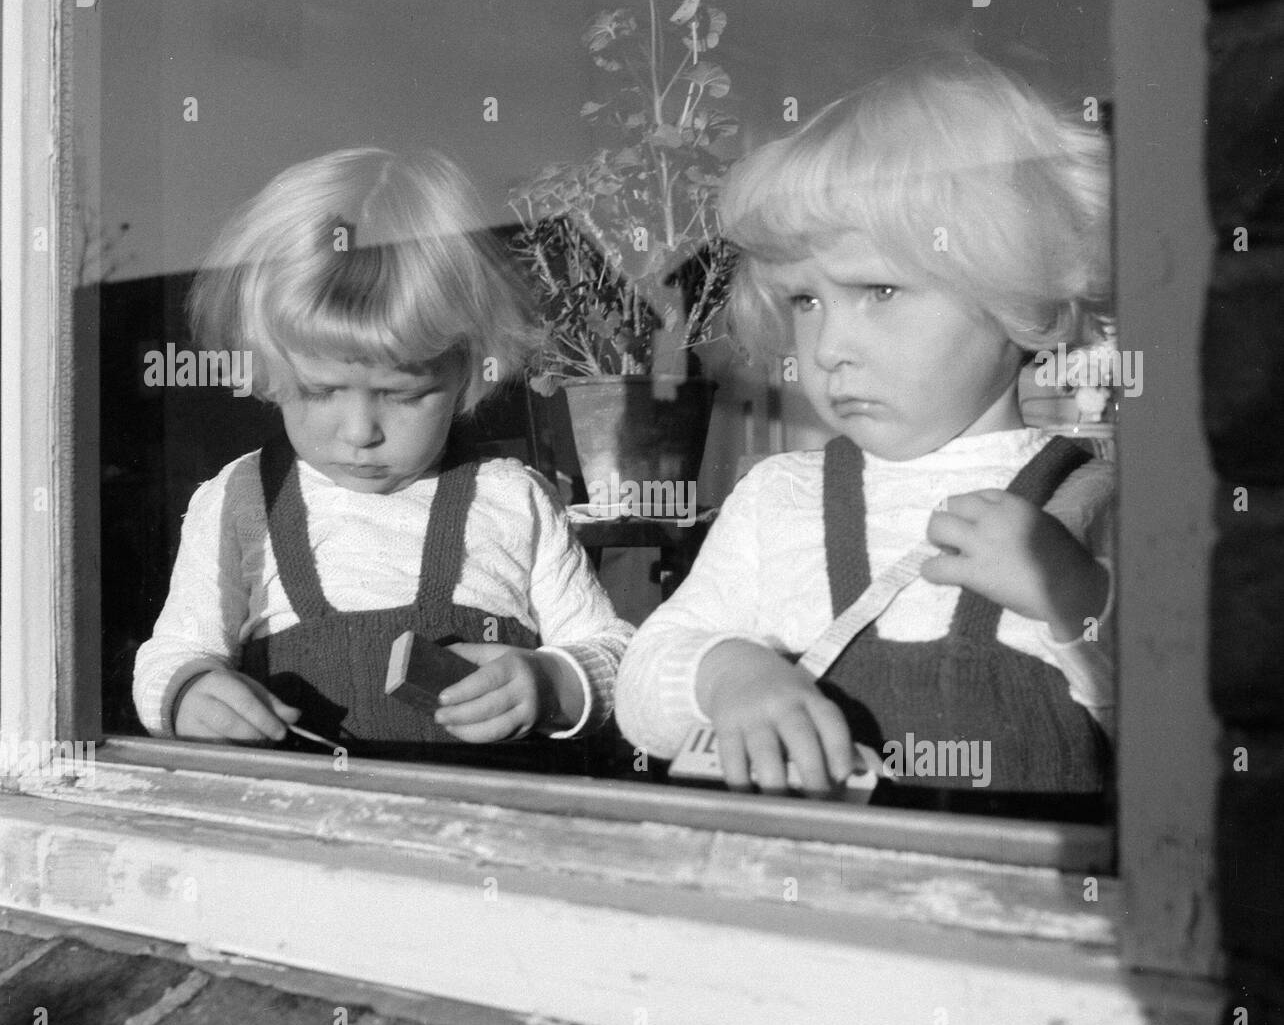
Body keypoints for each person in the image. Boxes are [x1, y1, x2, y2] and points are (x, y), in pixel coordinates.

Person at [615, 56, 1114, 798]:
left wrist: (1079, 602)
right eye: (805, 303)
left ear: (1017, 295)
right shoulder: (780, 497)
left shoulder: (1098, 504)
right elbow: (647, 674)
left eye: (879, 290)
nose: (829, 348)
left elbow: (1191, 730)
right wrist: (730, 677)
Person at [134, 148, 632, 752]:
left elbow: (613, 652)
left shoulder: (513, 498)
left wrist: (553, 681)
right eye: (320, 391)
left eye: (403, 395)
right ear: (268, 368)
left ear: (465, 372)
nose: (359, 432)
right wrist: (188, 692)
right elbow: (175, 652)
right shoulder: (240, 499)